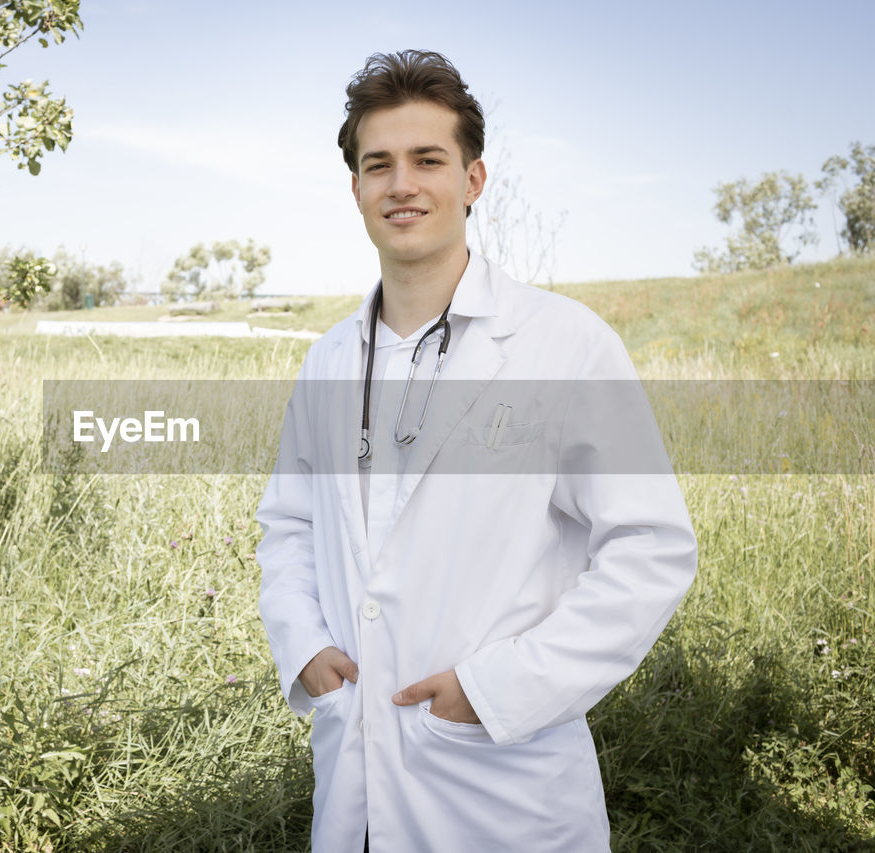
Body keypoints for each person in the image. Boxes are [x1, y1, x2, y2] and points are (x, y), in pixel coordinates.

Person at [256, 50, 698, 852]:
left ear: (474, 179)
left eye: (429, 160)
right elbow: (288, 525)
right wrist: (304, 643)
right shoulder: (327, 360)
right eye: (377, 164)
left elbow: (650, 550)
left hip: (502, 785)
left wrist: (496, 692)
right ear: (354, 186)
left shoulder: (562, 344)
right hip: (356, 778)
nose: (403, 185)